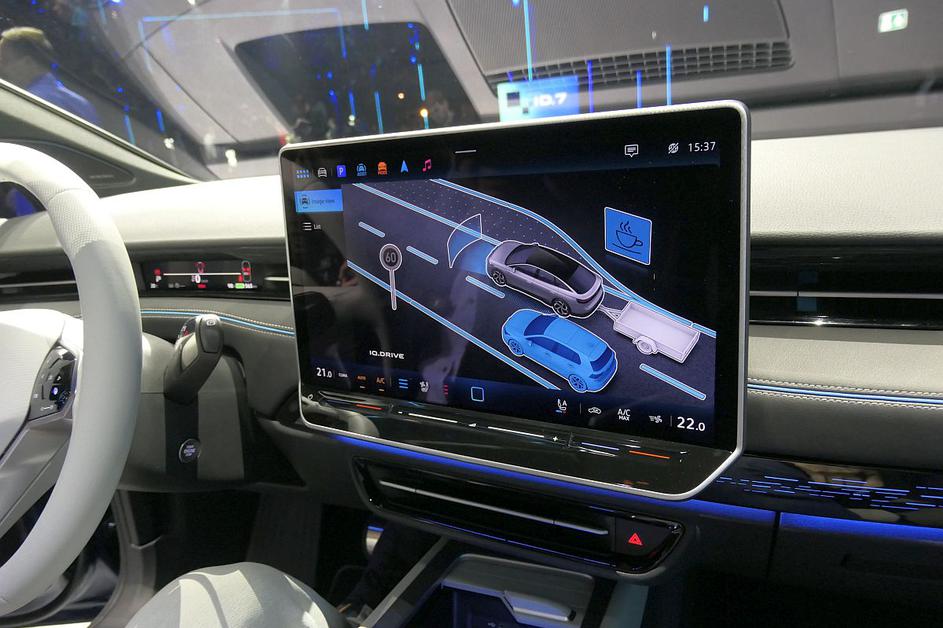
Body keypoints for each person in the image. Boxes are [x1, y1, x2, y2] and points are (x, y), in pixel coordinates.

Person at [0, 26, 100, 125]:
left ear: (28, 63)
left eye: (4, 60)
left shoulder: (29, 103)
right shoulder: (82, 104)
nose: (1, 67)